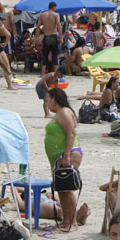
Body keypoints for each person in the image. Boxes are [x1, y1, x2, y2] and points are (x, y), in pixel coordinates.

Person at [43, 88, 82, 232]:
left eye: (48, 100)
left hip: (69, 153)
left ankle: (73, 222)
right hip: (58, 155)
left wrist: (66, 155)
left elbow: (71, 133)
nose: (47, 104)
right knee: (61, 188)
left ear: (55, 98)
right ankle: (66, 220)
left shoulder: (64, 112)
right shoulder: (59, 113)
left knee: (67, 187)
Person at [36, 2, 63, 76]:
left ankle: (43, 73)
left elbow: (38, 26)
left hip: (46, 36)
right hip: (54, 36)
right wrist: (61, 37)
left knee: (45, 55)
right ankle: (56, 73)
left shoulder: (42, 15)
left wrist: (37, 37)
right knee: (55, 55)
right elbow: (58, 26)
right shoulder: (56, 15)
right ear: (54, 7)